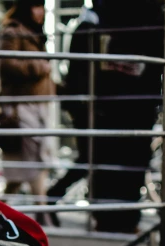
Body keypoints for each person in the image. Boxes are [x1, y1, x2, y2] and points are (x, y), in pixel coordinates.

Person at [91, 0, 164, 234]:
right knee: (131, 156)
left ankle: (108, 216)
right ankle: (123, 218)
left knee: (112, 156)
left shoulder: (109, 14)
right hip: (137, 97)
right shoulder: (149, 15)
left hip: (114, 96)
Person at [0, 0, 56, 222]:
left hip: (38, 105)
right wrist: (39, 66)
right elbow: (7, 64)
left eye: (41, 6)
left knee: (25, 165)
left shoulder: (34, 33)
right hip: (21, 106)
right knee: (33, 159)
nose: (40, 12)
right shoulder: (12, 31)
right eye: (35, 6)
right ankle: (42, 211)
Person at [47, 3, 99, 208]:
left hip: (83, 102)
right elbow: (82, 69)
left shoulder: (85, 26)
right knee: (89, 158)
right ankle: (53, 195)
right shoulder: (88, 28)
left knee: (89, 158)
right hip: (85, 103)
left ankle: (54, 196)